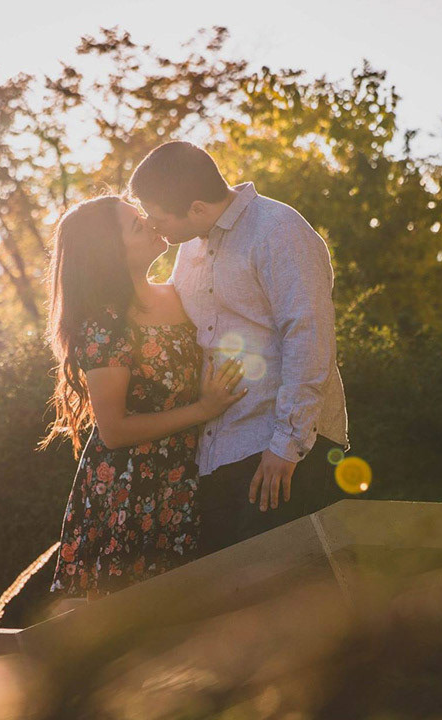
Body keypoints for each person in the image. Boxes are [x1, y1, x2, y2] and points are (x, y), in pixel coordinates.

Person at [130, 141, 349, 555]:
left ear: (195, 207)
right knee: (227, 604)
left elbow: (309, 335)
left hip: (281, 451)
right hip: (220, 453)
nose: (155, 228)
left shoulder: (278, 230)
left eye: (159, 219)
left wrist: (287, 445)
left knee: (275, 600)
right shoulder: (190, 245)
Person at [41, 195, 247, 598]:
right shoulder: (105, 322)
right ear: (110, 253)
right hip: (132, 492)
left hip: (188, 476)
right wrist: (203, 409)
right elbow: (113, 430)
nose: (153, 223)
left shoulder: (179, 291)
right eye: (138, 225)